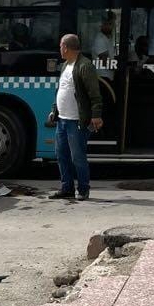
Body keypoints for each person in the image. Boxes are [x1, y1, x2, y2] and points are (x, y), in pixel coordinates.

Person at [48, 34, 103, 201]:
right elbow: (61, 90)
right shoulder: (66, 65)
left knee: (77, 157)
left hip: (76, 122)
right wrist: (54, 110)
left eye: (60, 47)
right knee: (61, 154)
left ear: (66, 47)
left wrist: (96, 115)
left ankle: (83, 189)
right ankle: (67, 188)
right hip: (62, 120)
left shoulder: (85, 66)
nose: (59, 50)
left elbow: (95, 94)